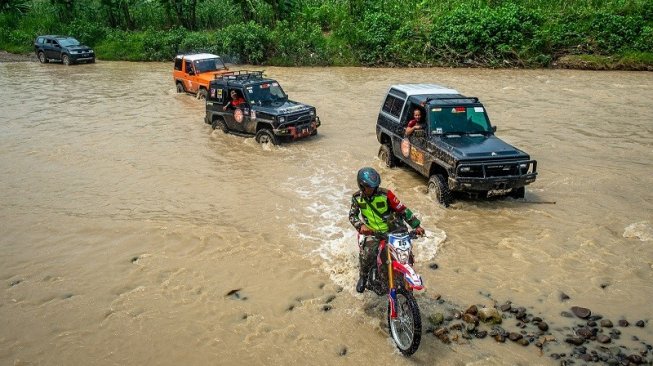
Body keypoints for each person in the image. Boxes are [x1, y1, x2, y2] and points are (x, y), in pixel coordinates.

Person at [348, 167, 425, 293]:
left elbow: (403, 210)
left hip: (394, 231)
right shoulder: (357, 198)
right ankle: (363, 276)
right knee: (367, 253)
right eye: (370, 187)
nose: (373, 189)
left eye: (375, 186)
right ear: (362, 186)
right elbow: (352, 215)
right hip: (374, 233)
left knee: (406, 254)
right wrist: (360, 226)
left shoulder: (386, 195)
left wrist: (417, 226)